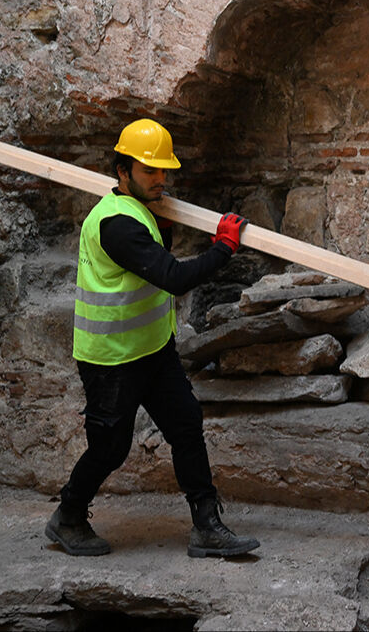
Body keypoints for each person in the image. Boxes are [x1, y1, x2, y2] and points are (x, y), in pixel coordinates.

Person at [44, 118, 259, 558]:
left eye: (164, 170)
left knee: (186, 425)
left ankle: (207, 526)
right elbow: (174, 278)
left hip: (153, 350)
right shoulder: (116, 224)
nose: (161, 180)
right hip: (111, 360)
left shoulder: (144, 210)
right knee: (110, 447)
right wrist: (224, 249)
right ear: (122, 172)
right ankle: (67, 516)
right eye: (150, 171)